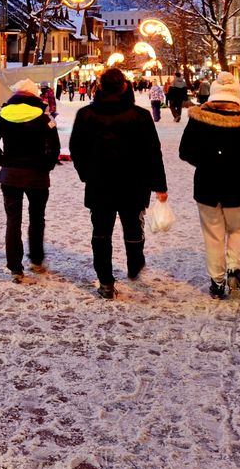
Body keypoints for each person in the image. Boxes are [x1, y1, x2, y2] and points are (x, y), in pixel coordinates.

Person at [69, 67, 168, 299]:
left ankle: (105, 281)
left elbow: (76, 149)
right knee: (133, 228)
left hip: (99, 184)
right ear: (125, 87)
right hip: (134, 184)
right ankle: (134, 264)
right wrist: (159, 185)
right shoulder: (140, 116)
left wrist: (86, 174)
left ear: (99, 87)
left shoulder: (86, 115)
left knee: (101, 232)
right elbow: (153, 153)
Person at [179, 71, 240, 300]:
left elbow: (185, 151)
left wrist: (206, 163)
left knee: (213, 233)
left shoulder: (198, 118)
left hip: (206, 184)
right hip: (238, 185)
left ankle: (217, 281)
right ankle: (234, 270)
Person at [0, 78, 61, 283]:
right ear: (34, 95)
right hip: (37, 176)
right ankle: (36, 260)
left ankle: (15, 268)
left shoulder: (2, 114)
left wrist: (2, 160)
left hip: (10, 175)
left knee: (13, 220)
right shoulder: (43, 117)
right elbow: (55, 146)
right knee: (37, 218)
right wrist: (47, 165)